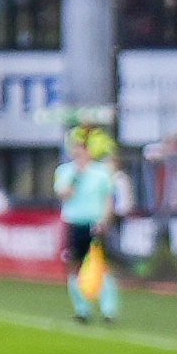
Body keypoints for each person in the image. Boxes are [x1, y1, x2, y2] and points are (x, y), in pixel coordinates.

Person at [57, 126, 126, 328]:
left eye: (82, 149)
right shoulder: (65, 171)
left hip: (95, 223)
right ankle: (82, 309)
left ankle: (109, 310)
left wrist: (104, 220)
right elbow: (64, 194)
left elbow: (108, 199)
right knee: (74, 266)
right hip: (74, 222)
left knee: (102, 266)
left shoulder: (101, 172)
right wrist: (76, 176)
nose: (79, 153)